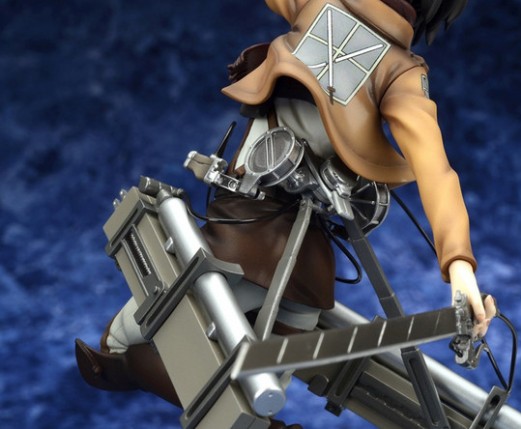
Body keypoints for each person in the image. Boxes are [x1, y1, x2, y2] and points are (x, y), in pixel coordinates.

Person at [76, 1, 496, 428]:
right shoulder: (401, 71)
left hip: (255, 233)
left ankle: (132, 367)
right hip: (299, 263)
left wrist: (459, 266)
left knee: (124, 342)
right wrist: (459, 266)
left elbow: (435, 172)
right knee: (257, 376)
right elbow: (436, 172)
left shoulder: (324, 11)